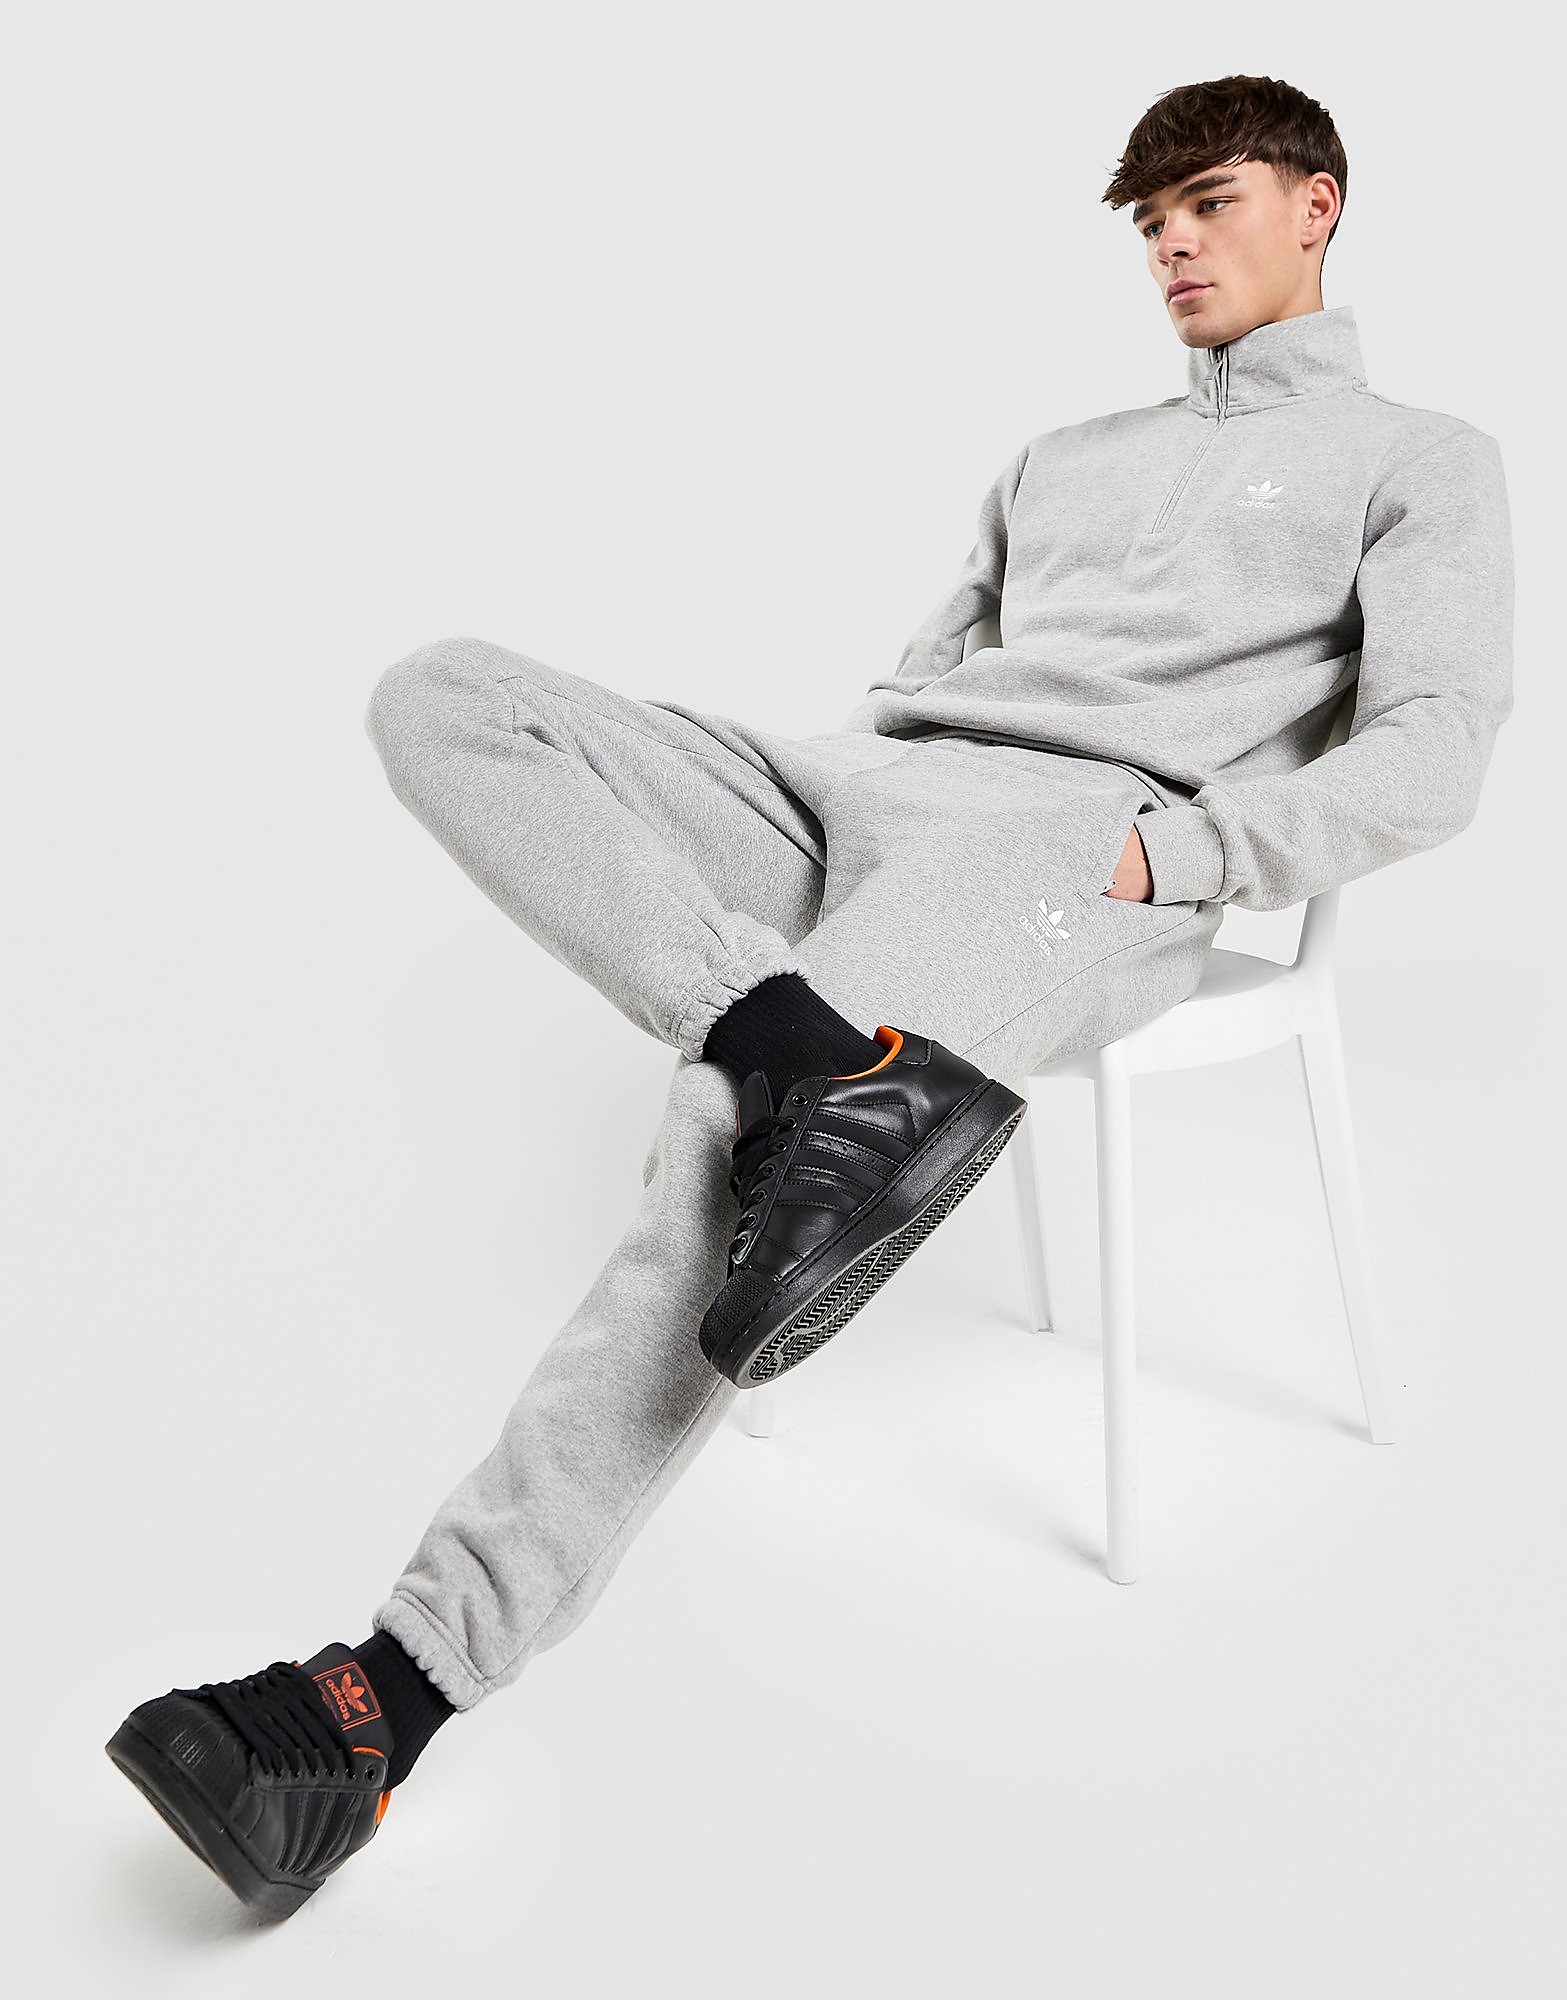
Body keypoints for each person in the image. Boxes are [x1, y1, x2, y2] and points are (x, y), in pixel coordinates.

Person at [105, 72, 1513, 1921]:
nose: (1174, 242)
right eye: (1151, 217)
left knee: (717, 1144)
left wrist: (1175, 857)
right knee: (447, 691)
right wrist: (832, 827)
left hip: (1075, 849)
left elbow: (1434, 754)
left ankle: (390, 1698)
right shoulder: (1059, 454)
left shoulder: (1420, 457)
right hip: (865, 790)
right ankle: (804, 1052)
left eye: (1213, 201)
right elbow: (931, 666)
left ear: (1320, 203)